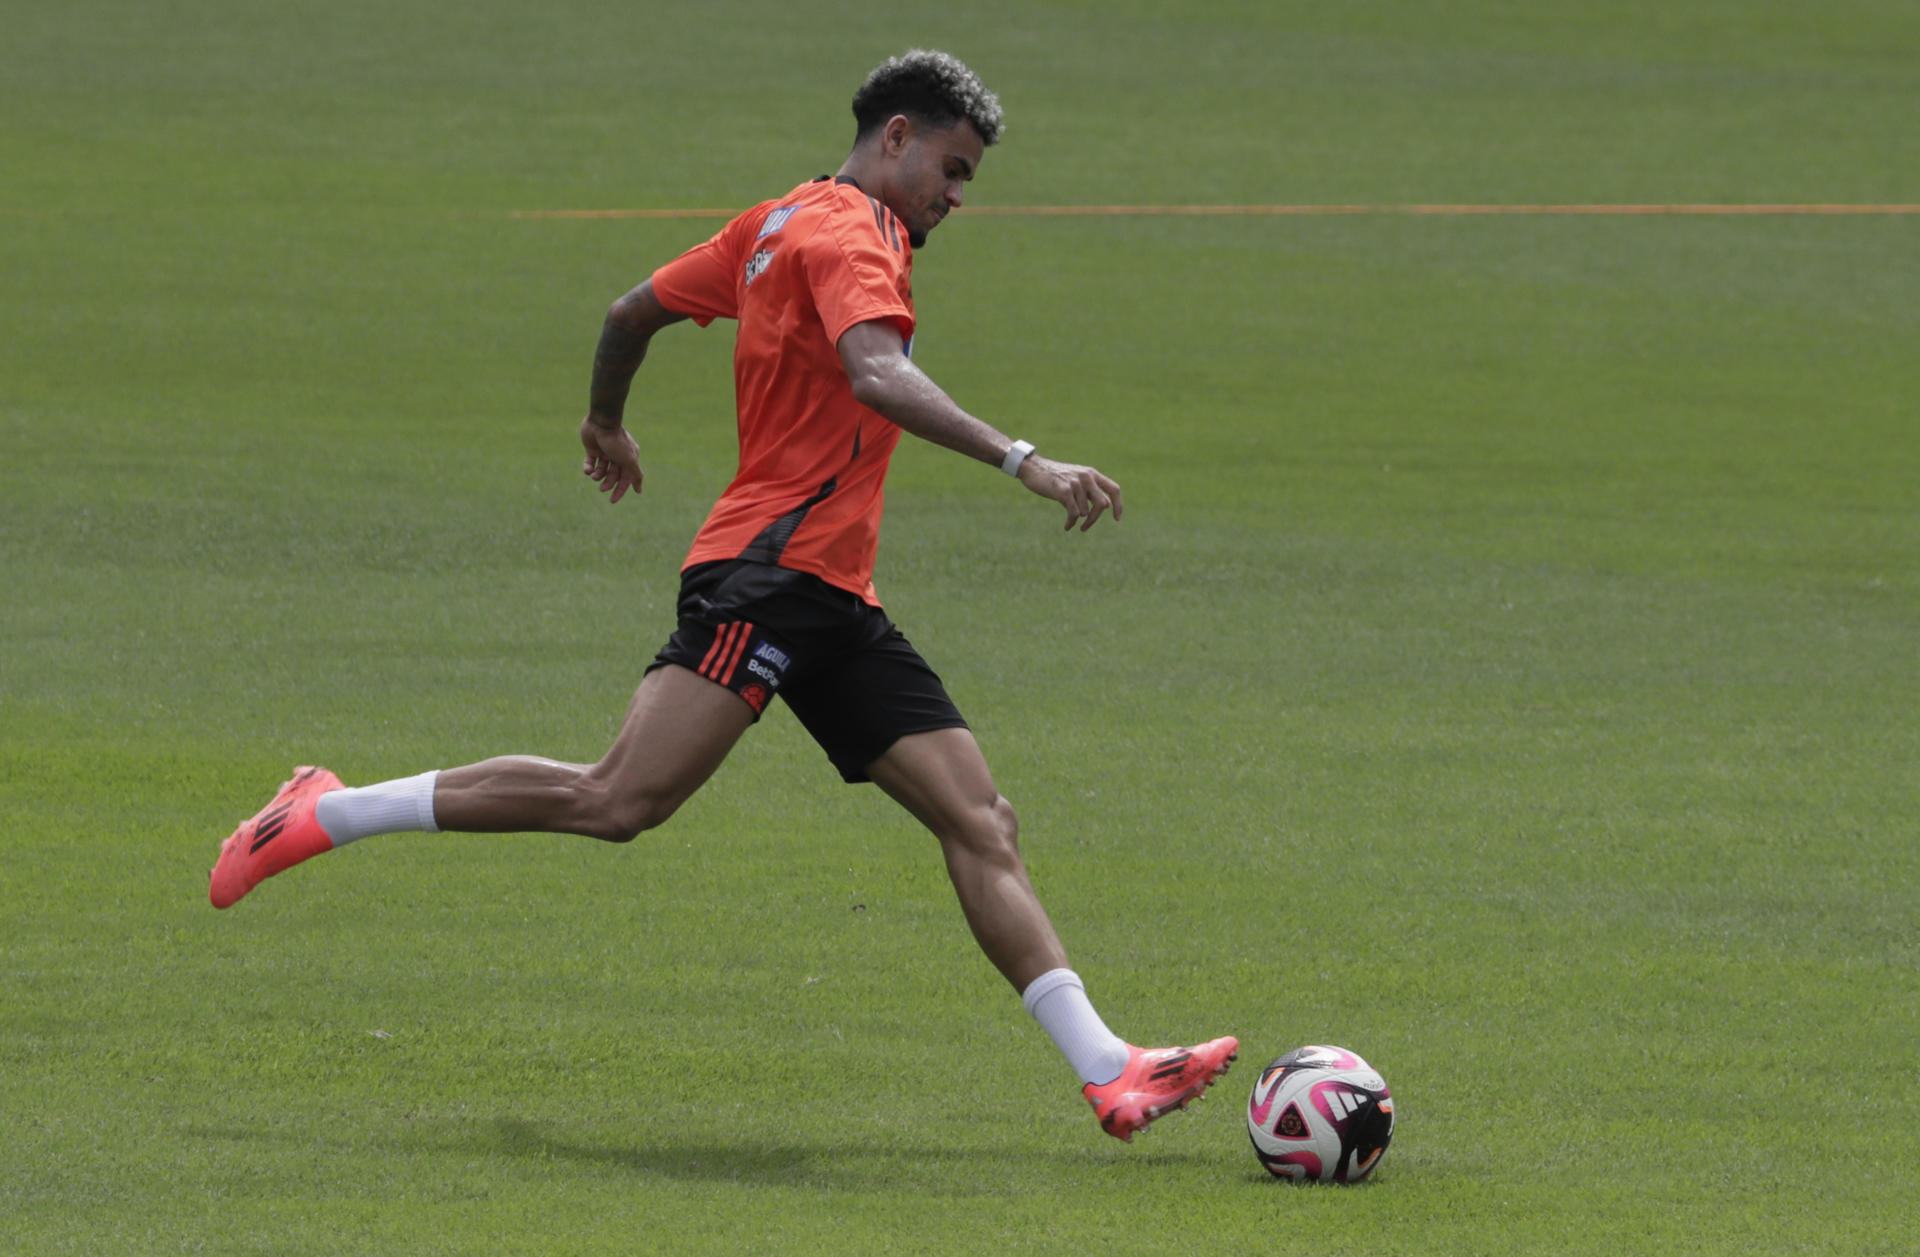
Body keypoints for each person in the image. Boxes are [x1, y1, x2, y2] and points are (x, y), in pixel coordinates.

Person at [210, 49, 1235, 1142]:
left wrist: (605, 420)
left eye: (968, 176)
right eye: (951, 166)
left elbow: (628, 312)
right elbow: (877, 373)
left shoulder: (770, 224)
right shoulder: (852, 235)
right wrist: (1024, 460)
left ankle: (1108, 1070)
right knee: (620, 800)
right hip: (769, 577)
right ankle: (325, 811)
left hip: (832, 592)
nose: (956, 195)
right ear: (895, 137)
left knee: (980, 817)